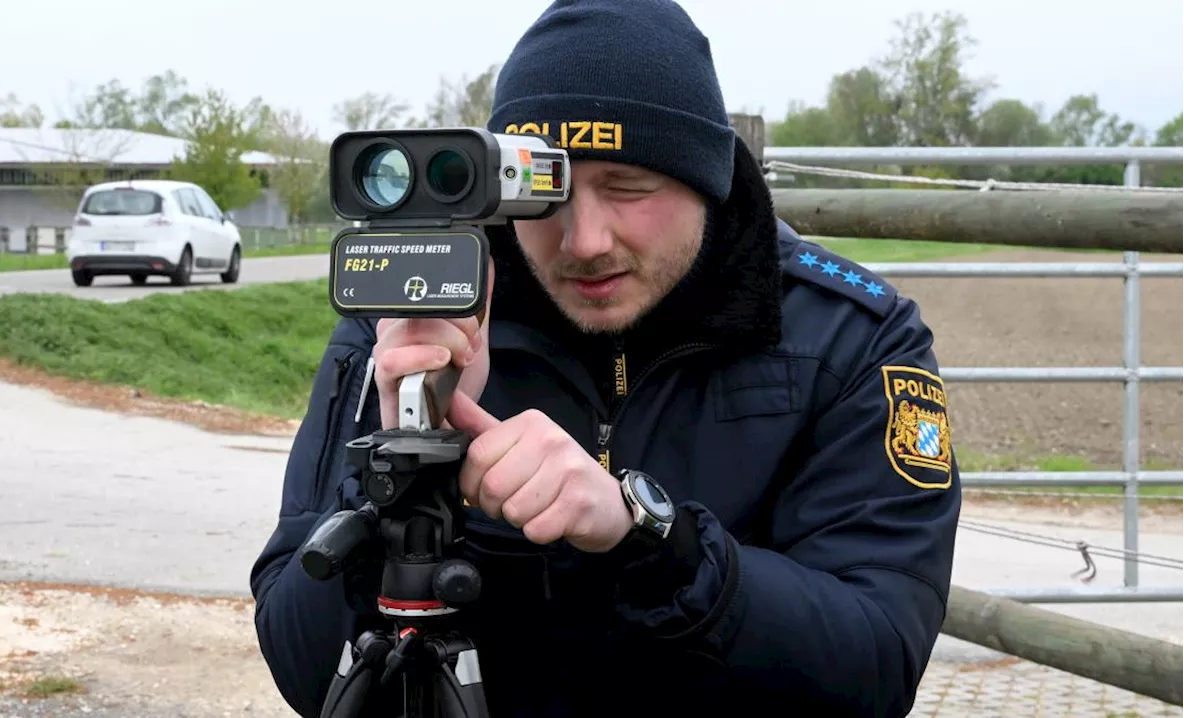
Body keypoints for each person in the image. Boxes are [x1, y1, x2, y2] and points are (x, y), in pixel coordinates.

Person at [250, 1, 962, 715]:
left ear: (706, 180)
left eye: (628, 188)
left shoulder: (852, 338)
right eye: (549, 193)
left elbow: (873, 669)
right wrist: (407, 457)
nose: (584, 240)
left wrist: (652, 542)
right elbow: (304, 669)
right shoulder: (412, 317)